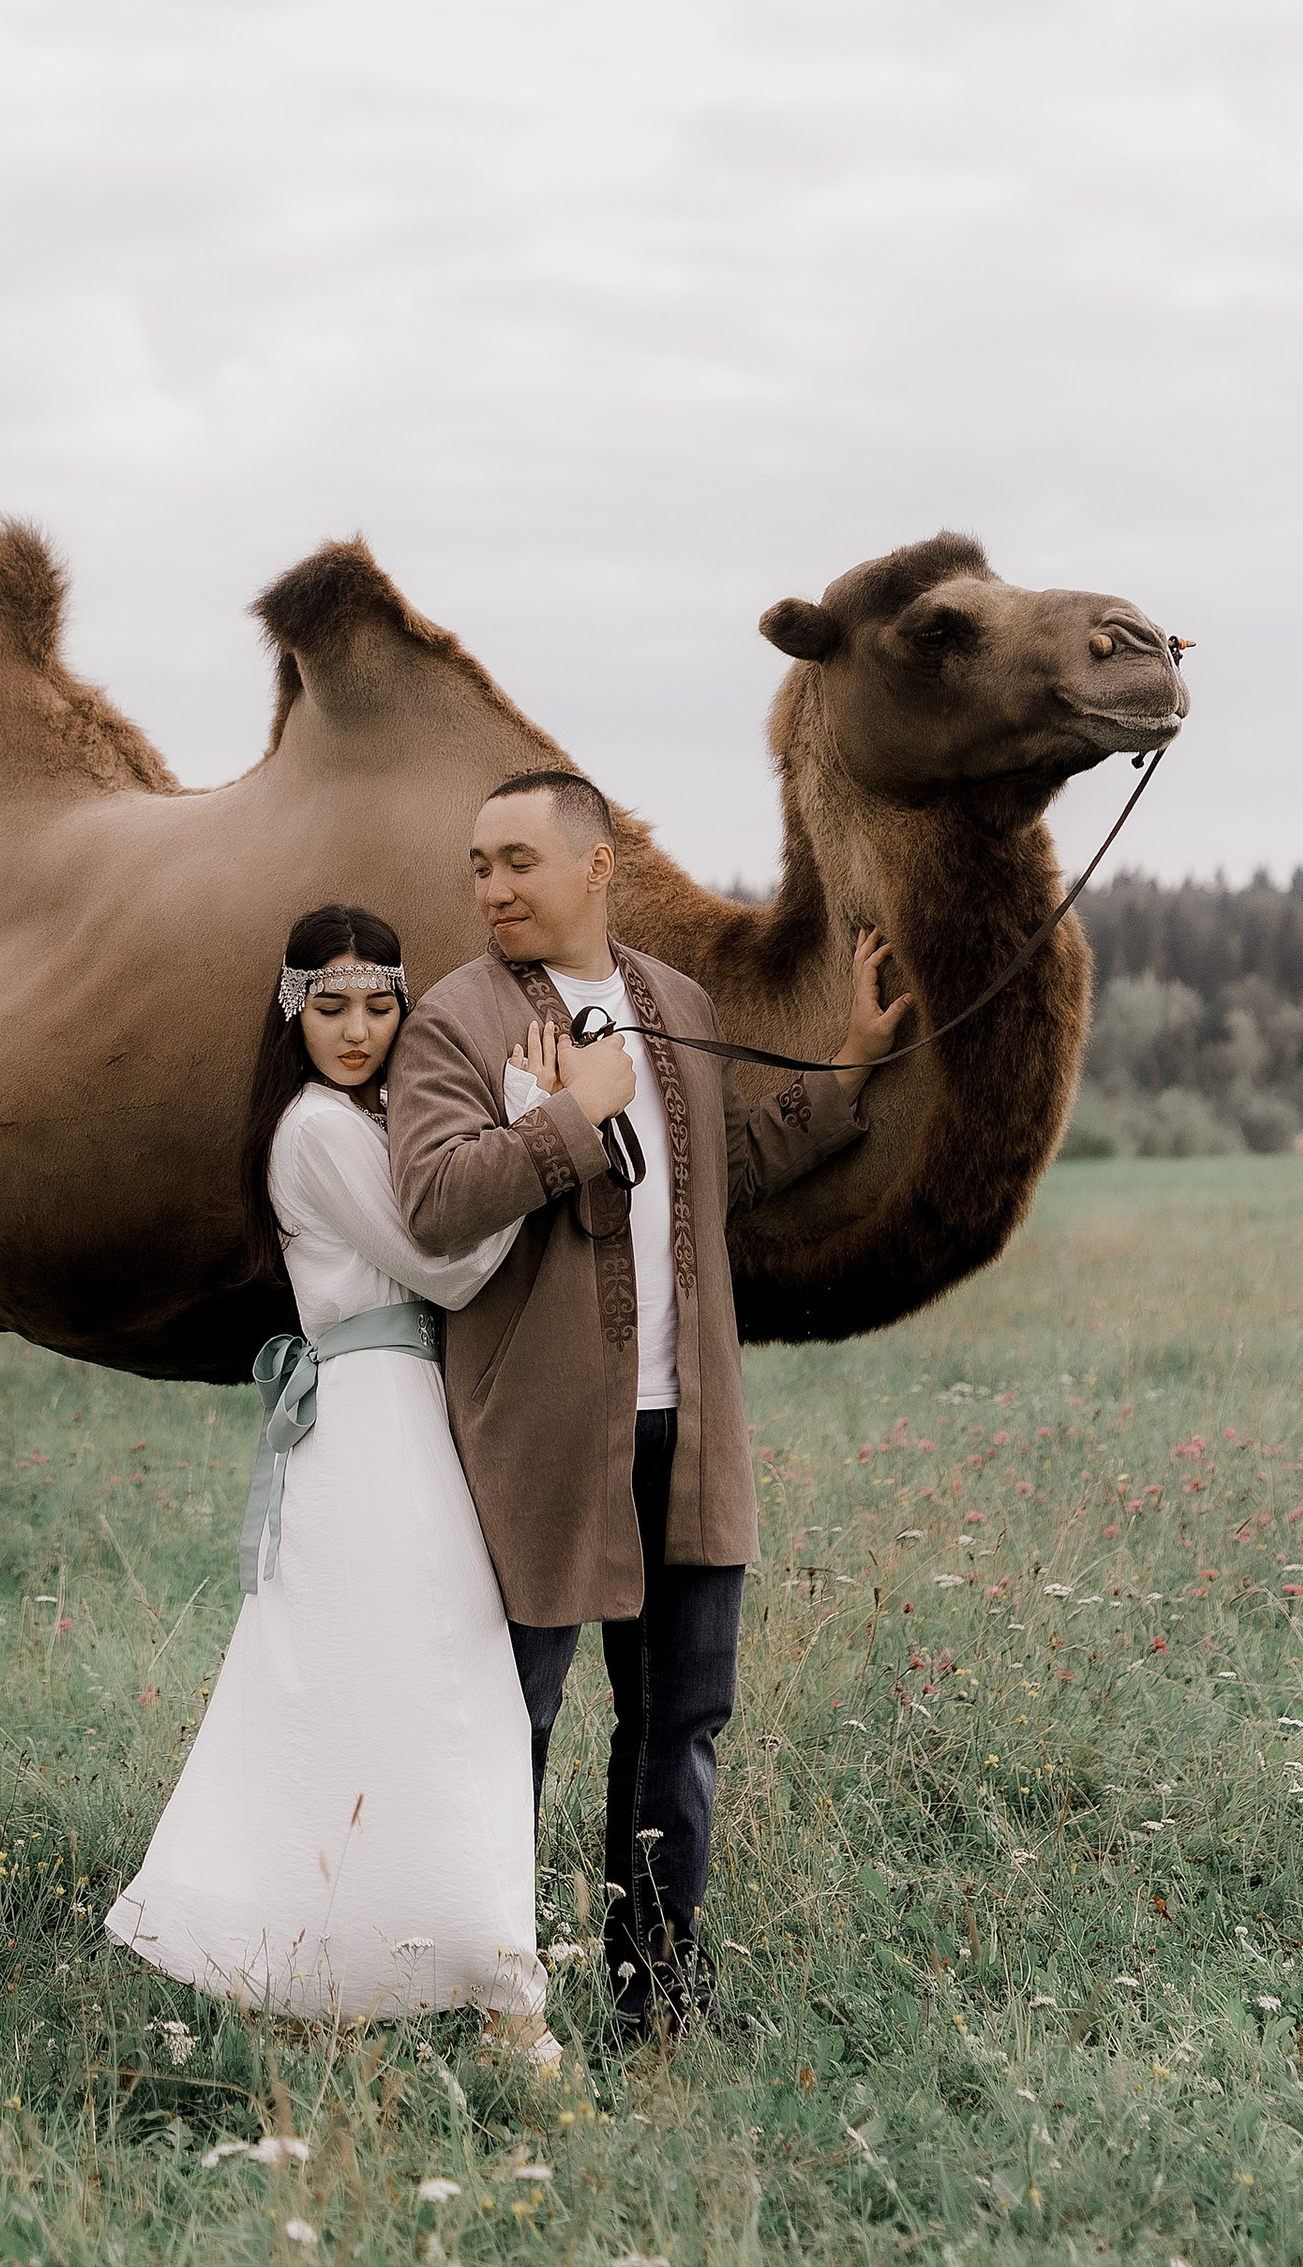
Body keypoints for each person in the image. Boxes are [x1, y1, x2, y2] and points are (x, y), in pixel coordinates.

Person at [388, 773, 910, 2039]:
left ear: (595, 866)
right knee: (516, 1722)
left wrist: (846, 1070)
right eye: (477, 866)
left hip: (690, 1423)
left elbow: (716, 1172)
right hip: (541, 1439)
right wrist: (574, 1115)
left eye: (516, 860)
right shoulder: (452, 1023)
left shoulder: (673, 1003)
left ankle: (657, 2000)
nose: (492, 889)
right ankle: (488, 2002)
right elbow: (434, 1202)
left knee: (679, 1721)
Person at [107, 903, 554, 2054]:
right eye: (331, 1007)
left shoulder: (369, 1117)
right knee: (426, 1686)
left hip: (397, 1422)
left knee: (414, 1688)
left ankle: (390, 1964)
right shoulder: (316, 1129)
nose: (357, 1029)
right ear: (292, 1014)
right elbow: (444, 1272)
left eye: (377, 1004)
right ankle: (445, 1984)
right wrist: (541, 1136)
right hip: (371, 1429)